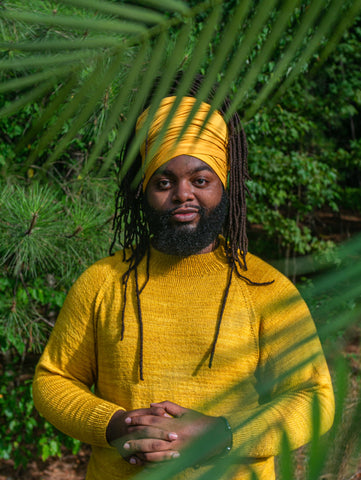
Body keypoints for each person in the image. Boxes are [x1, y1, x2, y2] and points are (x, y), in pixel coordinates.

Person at [32, 75, 335, 480]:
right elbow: (54, 379)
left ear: (224, 186)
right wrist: (115, 425)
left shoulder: (266, 289)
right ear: (142, 190)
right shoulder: (102, 282)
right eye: (163, 182)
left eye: (200, 180)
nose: (182, 194)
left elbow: (315, 396)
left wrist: (222, 434)